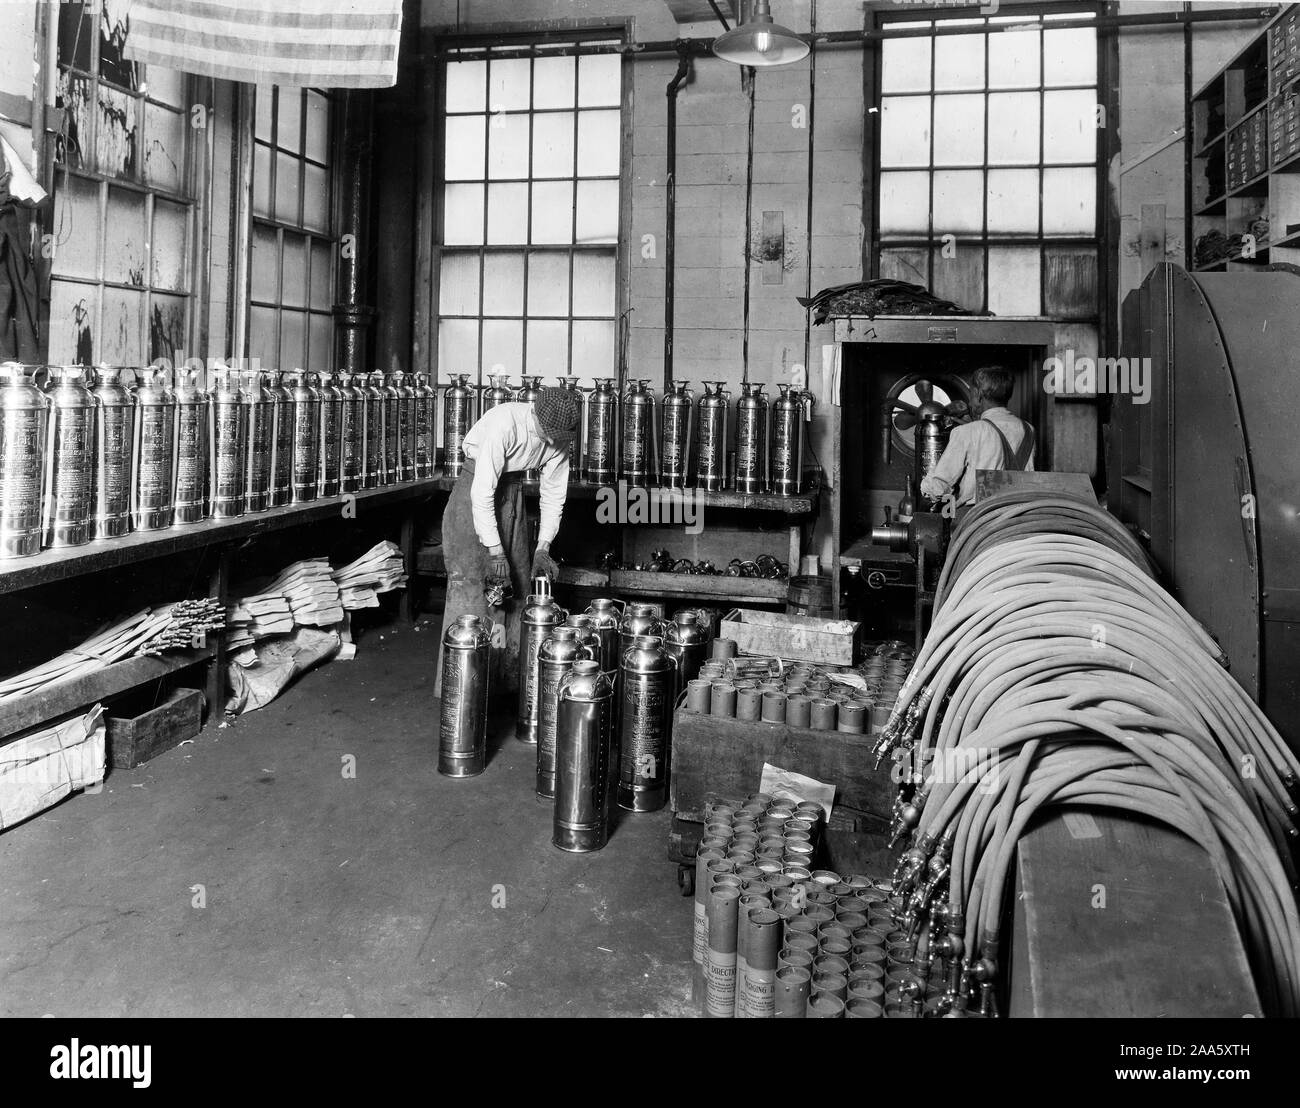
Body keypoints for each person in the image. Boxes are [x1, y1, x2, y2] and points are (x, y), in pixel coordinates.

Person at [434, 387, 580, 698]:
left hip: (511, 496)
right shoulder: (505, 423)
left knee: (517, 590)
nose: (553, 442)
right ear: (535, 414)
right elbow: (482, 493)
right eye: (548, 433)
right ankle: (461, 689)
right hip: (474, 493)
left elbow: (554, 496)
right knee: (474, 590)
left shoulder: (559, 439)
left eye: (560, 436)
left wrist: (543, 546)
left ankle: (509, 687)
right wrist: (495, 551)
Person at [919, 365, 1034, 514]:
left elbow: (939, 486)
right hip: (1016, 516)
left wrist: (925, 491)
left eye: (971, 394)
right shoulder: (1028, 430)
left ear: (978, 395)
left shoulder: (967, 432)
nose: (970, 402)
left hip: (976, 519)